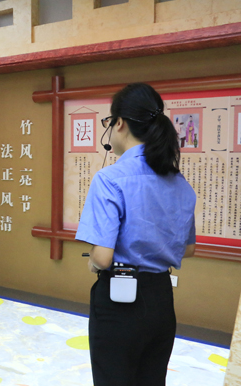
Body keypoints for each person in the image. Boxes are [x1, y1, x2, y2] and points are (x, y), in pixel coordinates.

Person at [75, 83, 196, 386]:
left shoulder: (110, 179)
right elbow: (188, 249)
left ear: (119, 123)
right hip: (161, 299)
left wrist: (92, 261)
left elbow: (103, 258)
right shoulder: (178, 181)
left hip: (119, 301)